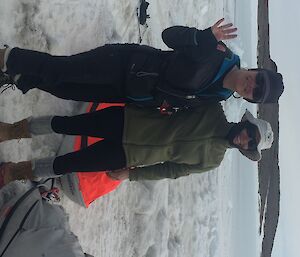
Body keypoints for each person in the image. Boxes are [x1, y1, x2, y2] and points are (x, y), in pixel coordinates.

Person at [0, 19, 284, 114]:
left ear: (249, 99)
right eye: (257, 80)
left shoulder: (217, 99)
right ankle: (8, 58)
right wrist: (201, 37)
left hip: (128, 93)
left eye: (255, 93)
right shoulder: (217, 50)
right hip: (127, 63)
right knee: (61, 70)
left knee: (64, 90)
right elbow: (168, 36)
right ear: (256, 70)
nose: (251, 85)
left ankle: (20, 75)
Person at [0, 102, 273, 186]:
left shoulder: (212, 160)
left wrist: (131, 173)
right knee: (66, 124)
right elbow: (174, 94)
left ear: (247, 150)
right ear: (245, 125)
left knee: (68, 164)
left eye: (251, 144)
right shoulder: (212, 110)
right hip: (127, 120)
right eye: (250, 133)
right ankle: (12, 130)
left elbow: (170, 170)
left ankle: (15, 171)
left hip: (125, 154)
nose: (245, 140)